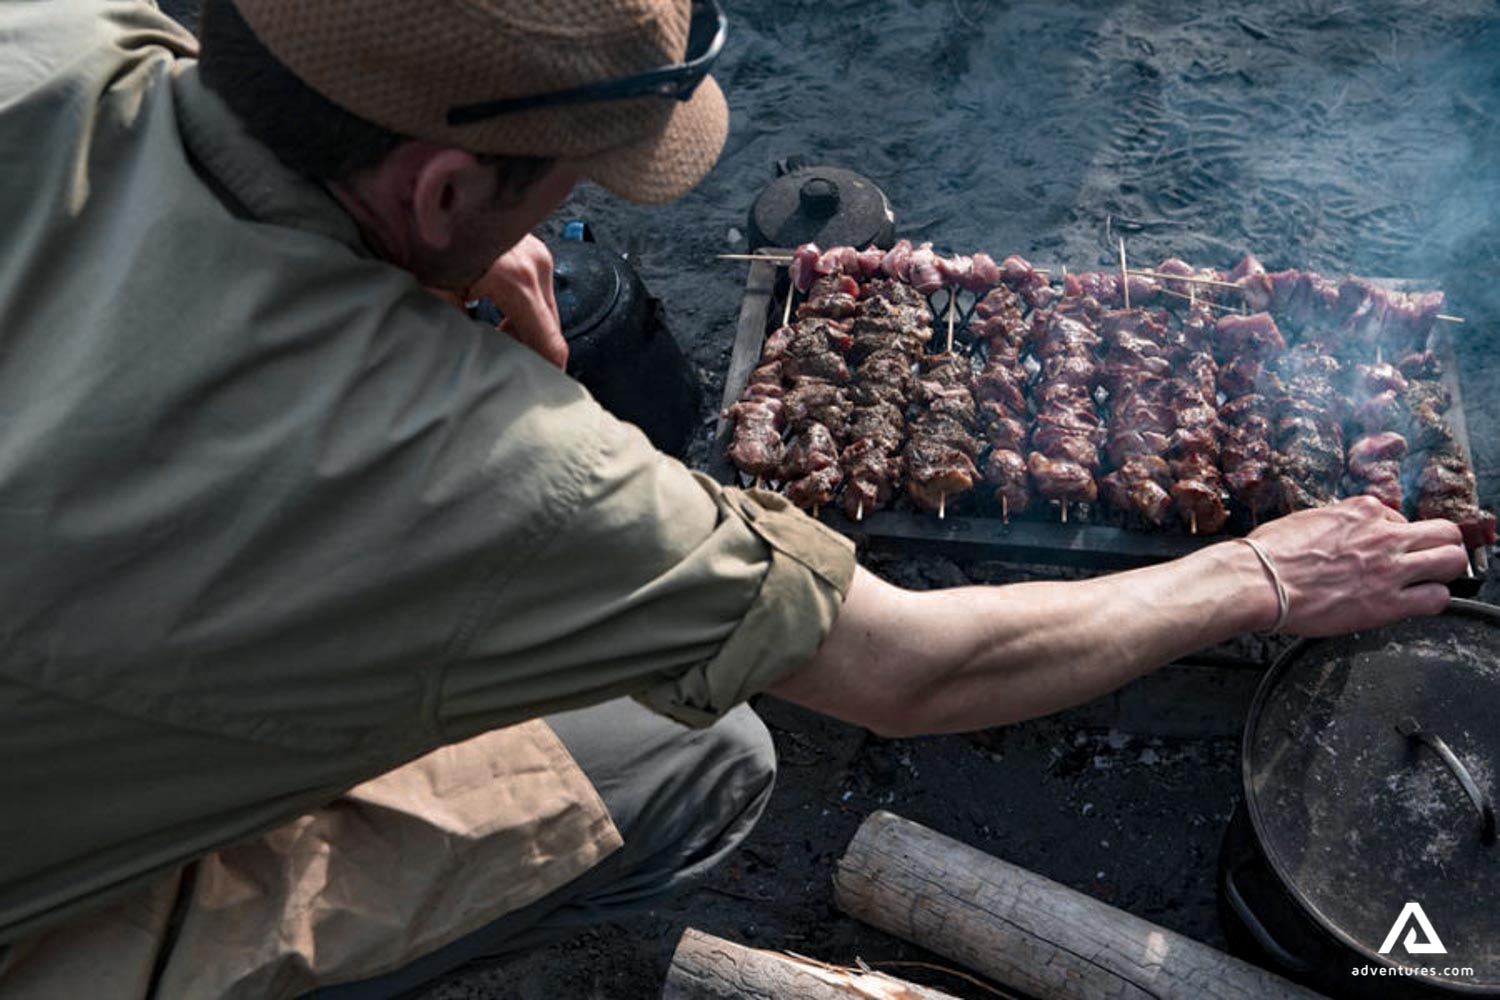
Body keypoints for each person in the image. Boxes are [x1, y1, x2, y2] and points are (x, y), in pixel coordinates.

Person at [0, 0, 1469, 996]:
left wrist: (411, 258)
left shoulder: (48, 42)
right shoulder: (493, 472)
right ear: (442, 190)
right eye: (564, 190)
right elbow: (911, 667)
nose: (563, 217)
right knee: (693, 758)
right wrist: (1264, 576)